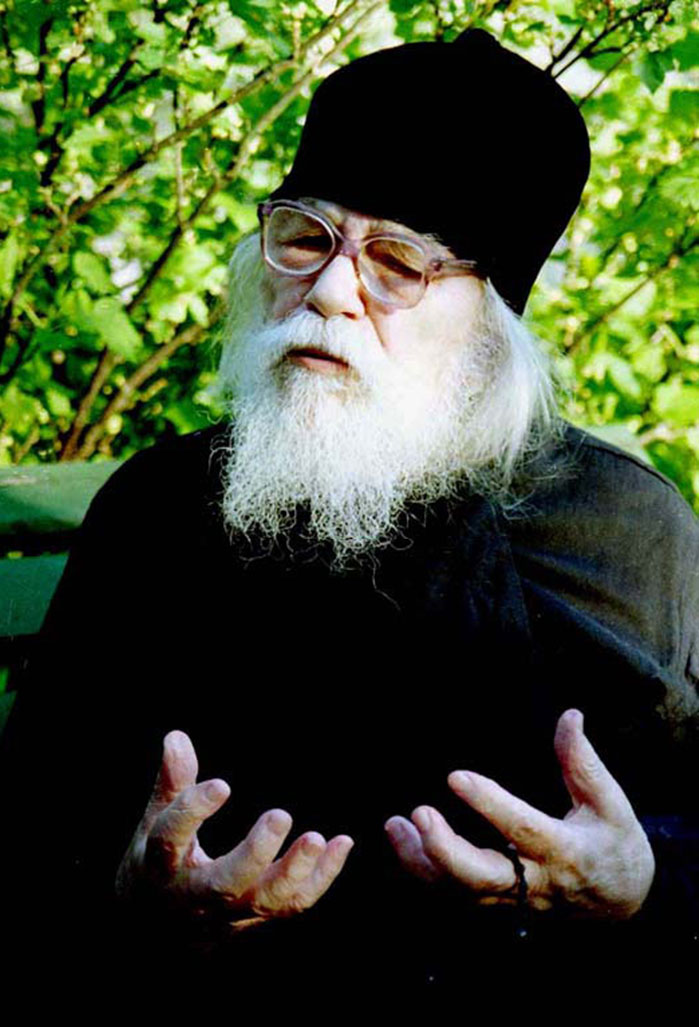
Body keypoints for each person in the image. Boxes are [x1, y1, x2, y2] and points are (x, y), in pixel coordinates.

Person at [2, 28, 698, 995]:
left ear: (492, 319)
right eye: (304, 236)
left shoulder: (620, 526)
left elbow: (680, 825)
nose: (328, 290)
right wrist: (129, 896)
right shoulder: (159, 506)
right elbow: (33, 833)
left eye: (396, 262)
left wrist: (641, 884)